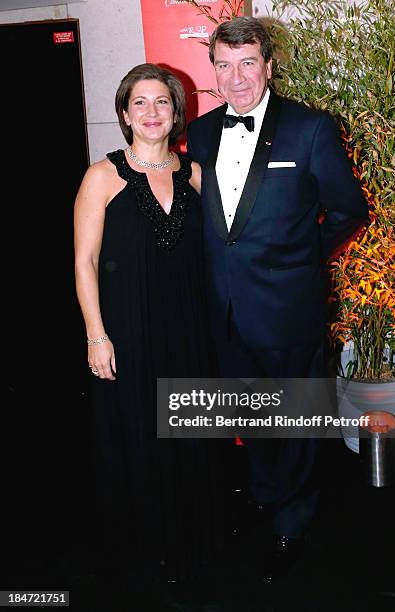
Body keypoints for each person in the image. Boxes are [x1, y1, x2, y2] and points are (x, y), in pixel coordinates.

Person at [187, 17, 369, 579]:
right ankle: (265, 494)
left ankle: (294, 518)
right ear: (212, 70)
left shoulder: (310, 129)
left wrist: (298, 257)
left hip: (289, 307)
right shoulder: (200, 132)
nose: (237, 78)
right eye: (224, 65)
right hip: (224, 308)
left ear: (268, 66)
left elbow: (349, 211)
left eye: (248, 64)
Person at [74, 63, 220, 583]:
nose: (152, 112)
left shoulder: (198, 175)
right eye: (141, 102)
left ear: (177, 112)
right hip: (128, 334)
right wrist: (97, 334)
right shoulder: (102, 175)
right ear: (124, 113)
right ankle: (141, 550)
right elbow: (84, 262)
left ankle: (188, 543)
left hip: (189, 329)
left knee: (187, 440)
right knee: (136, 438)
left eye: (162, 101)